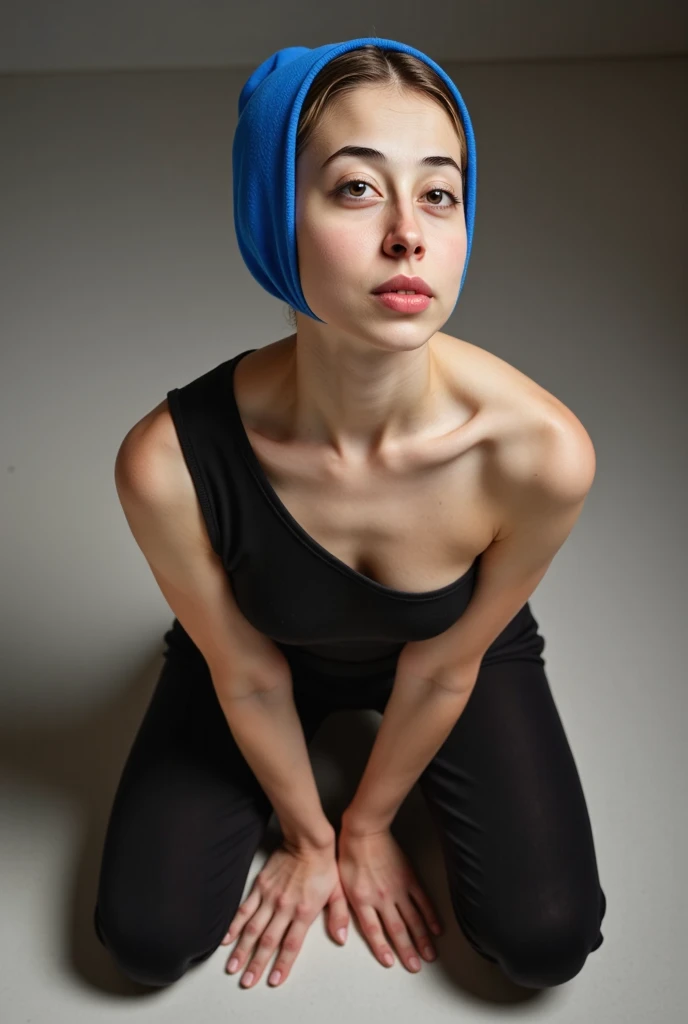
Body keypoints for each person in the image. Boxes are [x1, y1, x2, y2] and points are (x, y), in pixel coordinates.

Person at [93, 37, 607, 992]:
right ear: (273, 216)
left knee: (547, 938)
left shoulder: (538, 453)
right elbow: (245, 675)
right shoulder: (167, 461)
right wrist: (308, 834)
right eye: (358, 188)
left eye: (440, 194)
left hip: (455, 648)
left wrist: (367, 827)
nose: (409, 233)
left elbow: (445, 665)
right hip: (255, 647)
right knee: (145, 936)